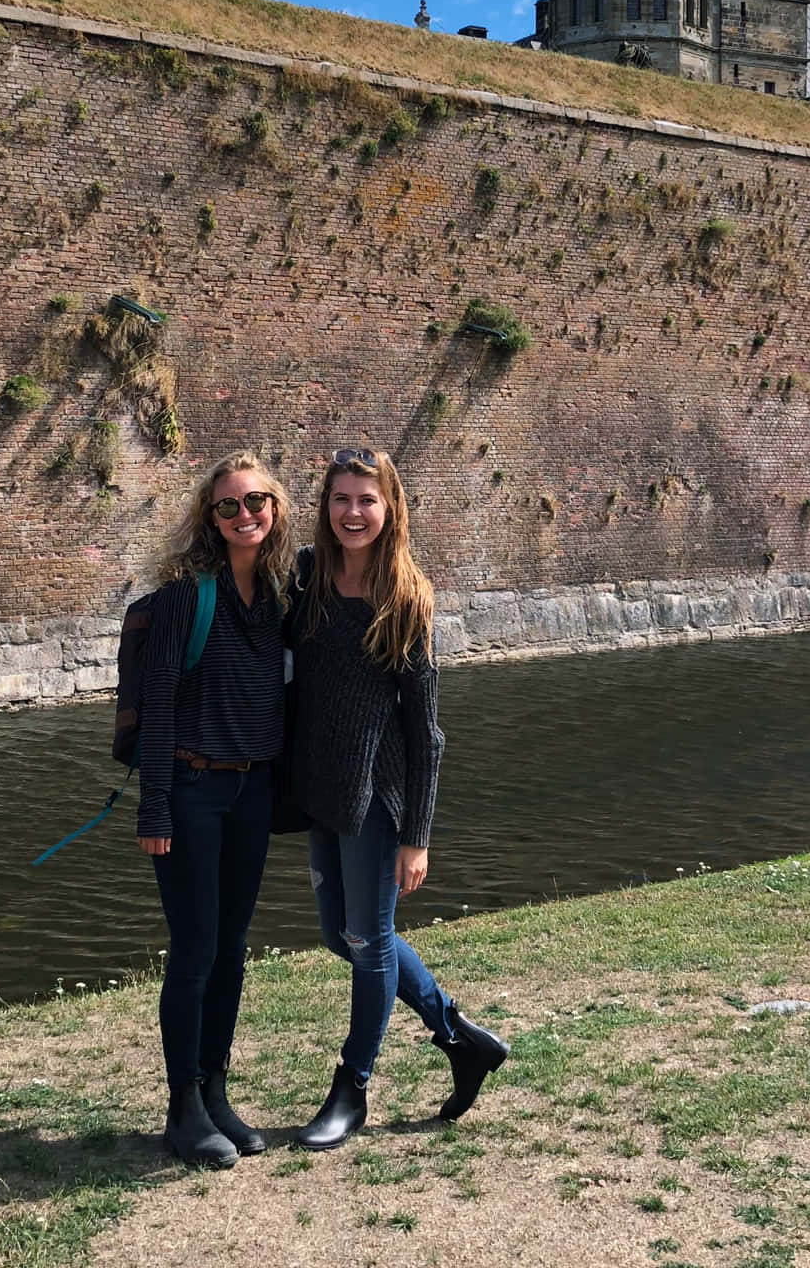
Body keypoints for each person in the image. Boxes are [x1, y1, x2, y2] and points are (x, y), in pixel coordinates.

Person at [291, 446, 509, 1149]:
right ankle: (457, 1036)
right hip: (323, 792)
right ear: (326, 508)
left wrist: (418, 835)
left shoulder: (406, 598)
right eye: (341, 499)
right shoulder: (306, 579)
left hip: (378, 799)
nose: (353, 512)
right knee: (340, 935)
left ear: (390, 509)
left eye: (367, 500)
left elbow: (426, 733)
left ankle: (351, 1088)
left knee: (370, 938)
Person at [136, 449, 292, 1168]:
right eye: (228, 505)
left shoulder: (282, 598)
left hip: (251, 792)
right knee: (195, 951)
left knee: (231, 949)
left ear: (276, 508)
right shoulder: (182, 598)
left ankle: (216, 1091)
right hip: (192, 792)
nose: (244, 515)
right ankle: (182, 1108)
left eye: (256, 501)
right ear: (209, 516)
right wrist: (155, 810)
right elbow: (159, 709)